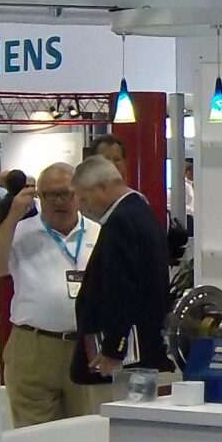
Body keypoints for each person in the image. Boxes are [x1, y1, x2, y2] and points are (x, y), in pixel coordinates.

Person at [0, 162, 102, 426]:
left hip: (86, 347)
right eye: (49, 195)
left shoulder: (99, 233)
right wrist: (11, 216)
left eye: (65, 193)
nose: (59, 201)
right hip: (34, 346)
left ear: (78, 193)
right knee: (34, 436)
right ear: (38, 197)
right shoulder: (19, 232)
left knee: (85, 431)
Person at [72, 156, 173, 382]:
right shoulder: (142, 212)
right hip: (145, 342)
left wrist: (112, 348)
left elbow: (120, 290)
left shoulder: (121, 222)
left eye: (83, 197)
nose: (82, 206)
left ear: (101, 187)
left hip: (126, 354)